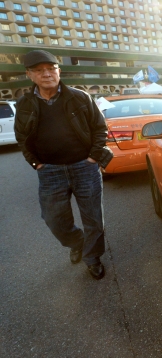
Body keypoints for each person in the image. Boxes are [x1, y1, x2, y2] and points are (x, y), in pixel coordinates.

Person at [14, 50, 113, 280]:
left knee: (93, 219)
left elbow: (100, 128)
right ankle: (77, 242)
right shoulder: (25, 103)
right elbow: (21, 136)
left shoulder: (80, 97)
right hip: (49, 171)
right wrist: (36, 163)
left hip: (84, 167)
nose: (46, 74)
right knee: (54, 219)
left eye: (51, 68)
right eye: (39, 70)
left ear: (59, 71)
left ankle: (92, 258)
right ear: (30, 75)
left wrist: (94, 157)